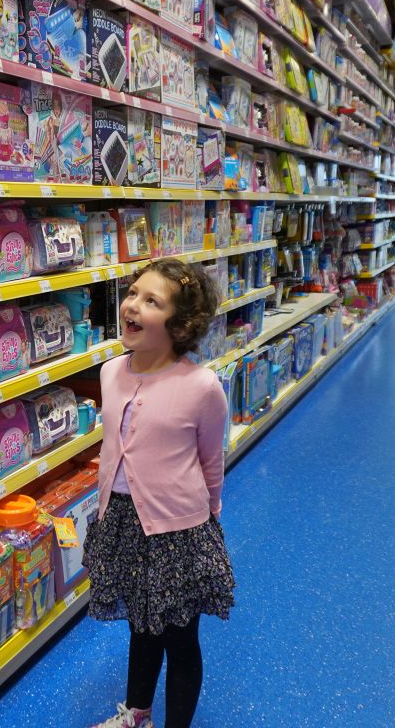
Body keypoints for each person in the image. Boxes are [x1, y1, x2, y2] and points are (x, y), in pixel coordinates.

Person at [83, 259, 235, 728]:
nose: (133, 305)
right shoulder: (111, 373)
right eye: (133, 293)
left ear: (180, 323)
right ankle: (137, 715)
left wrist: (209, 515)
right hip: (124, 520)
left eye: (152, 301)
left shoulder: (201, 386)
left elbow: (211, 456)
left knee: (180, 639)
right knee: (140, 627)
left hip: (179, 530)